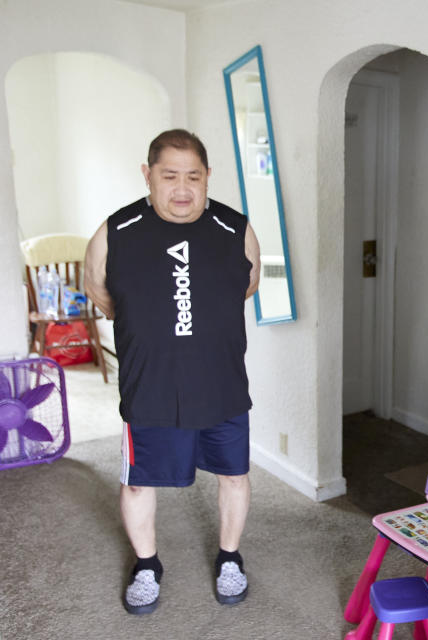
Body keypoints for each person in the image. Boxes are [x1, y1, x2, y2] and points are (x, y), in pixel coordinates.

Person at [84, 129, 261, 615]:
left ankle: (230, 556)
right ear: (148, 176)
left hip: (221, 383)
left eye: (193, 177)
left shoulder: (235, 227)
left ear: (207, 178)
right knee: (139, 481)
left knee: (233, 475)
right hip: (150, 388)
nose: (183, 188)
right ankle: (147, 565)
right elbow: (98, 289)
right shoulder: (115, 232)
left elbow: (246, 284)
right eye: (170, 176)